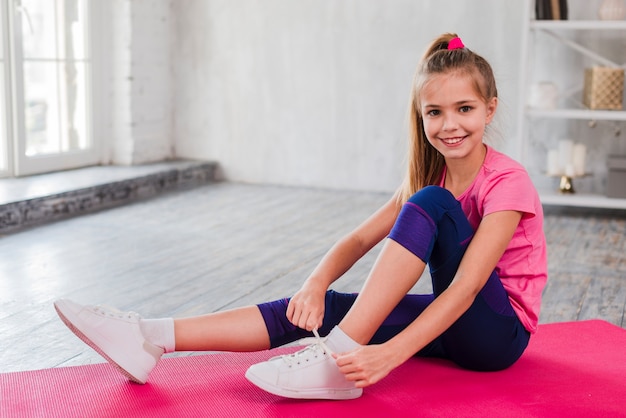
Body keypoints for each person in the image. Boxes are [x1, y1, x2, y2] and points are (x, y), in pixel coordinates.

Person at [54, 33, 547, 401]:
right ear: (420, 117)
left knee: (429, 207)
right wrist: (313, 284)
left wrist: (387, 355)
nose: (449, 124)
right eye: (434, 112)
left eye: (464, 108)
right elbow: (357, 241)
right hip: (452, 328)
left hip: (496, 339)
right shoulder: (429, 178)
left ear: (490, 109)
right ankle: (150, 336)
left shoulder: (507, 182)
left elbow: (464, 288)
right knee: (329, 307)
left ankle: (335, 360)